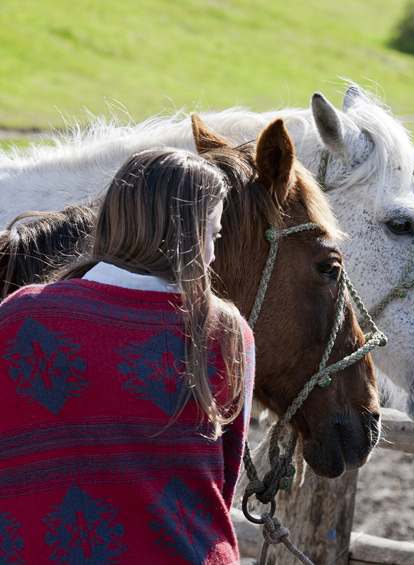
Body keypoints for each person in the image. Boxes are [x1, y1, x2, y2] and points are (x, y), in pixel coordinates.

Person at [0, 148, 255, 564]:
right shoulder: (227, 335)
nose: (212, 255)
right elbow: (222, 486)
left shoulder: (19, 316)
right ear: (188, 235)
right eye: (213, 234)